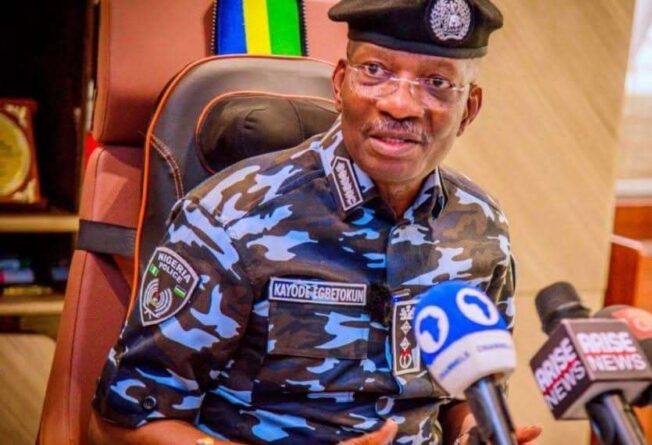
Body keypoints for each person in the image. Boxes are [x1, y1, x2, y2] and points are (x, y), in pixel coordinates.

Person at [89, 0, 541, 444]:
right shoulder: (231, 219)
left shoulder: (481, 227)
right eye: (376, 71)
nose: (401, 105)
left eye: (437, 82)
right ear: (340, 84)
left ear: (469, 109)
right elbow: (121, 424)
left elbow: (466, 395)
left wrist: (475, 431)